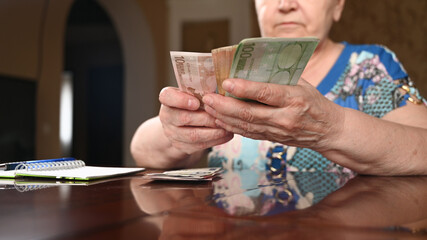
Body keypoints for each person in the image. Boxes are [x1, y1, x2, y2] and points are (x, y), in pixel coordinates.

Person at [130, 0, 427, 175]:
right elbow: (141, 151)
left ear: (337, 6)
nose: (286, 5)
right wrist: (176, 131)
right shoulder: (227, 70)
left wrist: (331, 128)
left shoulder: (370, 65)